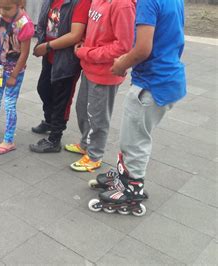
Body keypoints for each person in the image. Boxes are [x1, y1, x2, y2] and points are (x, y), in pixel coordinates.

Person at [89, 0, 187, 216]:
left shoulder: (148, 2)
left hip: (152, 83)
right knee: (130, 135)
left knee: (135, 140)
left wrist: (121, 64)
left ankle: (132, 186)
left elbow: (143, 48)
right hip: (168, 77)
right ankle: (124, 174)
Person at [64, 0, 136, 172]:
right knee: (82, 110)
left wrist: (86, 52)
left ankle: (95, 155)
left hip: (105, 72)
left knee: (98, 117)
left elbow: (123, 47)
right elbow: (94, 29)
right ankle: (85, 144)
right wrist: (84, 42)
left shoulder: (123, 5)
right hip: (89, 67)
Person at [29, 0, 90, 153]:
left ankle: (55, 138)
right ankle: (49, 121)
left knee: (61, 99)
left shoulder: (81, 2)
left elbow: (75, 34)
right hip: (49, 56)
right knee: (43, 89)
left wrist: (47, 46)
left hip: (66, 60)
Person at [0, 0, 34, 155]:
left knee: (10, 104)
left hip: (14, 71)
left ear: (20, 5)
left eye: (7, 8)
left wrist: (14, 75)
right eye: (0, 7)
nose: (2, 11)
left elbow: (24, 53)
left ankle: (9, 140)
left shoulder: (24, 24)